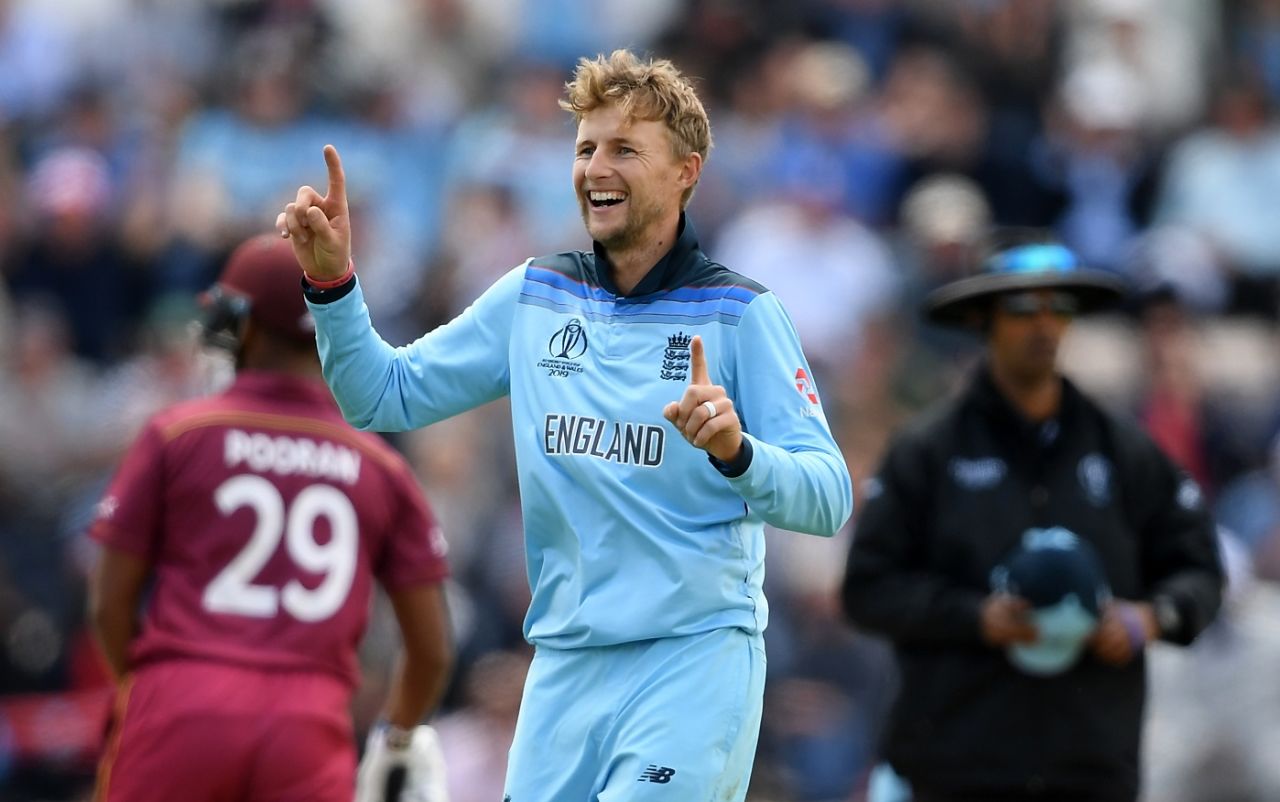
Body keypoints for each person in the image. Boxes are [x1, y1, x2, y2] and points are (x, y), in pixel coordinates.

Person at [277, 49, 853, 802]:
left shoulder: (742, 315)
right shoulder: (535, 295)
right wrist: (331, 283)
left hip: (690, 666)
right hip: (562, 670)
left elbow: (828, 496)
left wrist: (738, 453)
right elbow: (382, 396)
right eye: (586, 149)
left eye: (625, 149)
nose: (595, 168)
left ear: (686, 171)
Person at [841, 238, 1224, 802]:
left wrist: (1150, 618)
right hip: (957, 762)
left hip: (1090, 764)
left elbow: (1200, 570)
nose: (1044, 325)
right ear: (984, 320)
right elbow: (868, 590)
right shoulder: (926, 451)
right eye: (1022, 308)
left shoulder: (1125, 451)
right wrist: (974, 616)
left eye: (1059, 307)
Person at [86, 234, 454, 802]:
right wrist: (396, 738)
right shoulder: (382, 467)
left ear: (245, 327)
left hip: (181, 703)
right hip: (307, 726)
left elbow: (108, 605)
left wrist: (151, 690)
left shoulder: (176, 434)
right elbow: (432, 651)